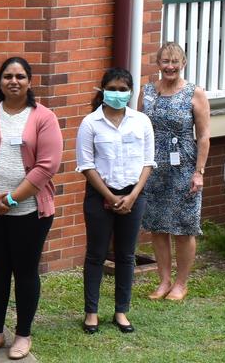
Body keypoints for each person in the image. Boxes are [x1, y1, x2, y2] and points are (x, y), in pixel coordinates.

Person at [0, 57, 62, 361]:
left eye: (20, 76)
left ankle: (23, 334)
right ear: (0, 81)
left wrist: (11, 200)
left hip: (30, 212)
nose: (13, 81)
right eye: (7, 76)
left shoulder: (44, 117)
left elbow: (46, 167)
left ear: (30, 82)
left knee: (26, 271)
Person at [76, 67, 153, 335]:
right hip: (100, 195)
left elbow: (148, 162)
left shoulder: (142, 121)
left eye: (123, 90)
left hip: (134, 195)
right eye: (113, 89)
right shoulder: (90, 123)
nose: (118, 94)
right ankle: (91, 312)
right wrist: (109, 196)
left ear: (130, 93)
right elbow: (86, 165)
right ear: (103, 90)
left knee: (126, 255)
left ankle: (121, 311)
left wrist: (132, 196)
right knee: (96, 254)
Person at [139, 41, 211, 302]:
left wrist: (199, 172)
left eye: (175, 61)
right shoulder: (147, 91)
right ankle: (164, 281)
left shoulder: (195, 93)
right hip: (154, 167)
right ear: (158, 64)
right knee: (158, 226)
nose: (170, 66)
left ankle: (181, 283)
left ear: (184, 63)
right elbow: (139, 129)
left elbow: (203, 136)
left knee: (184, 227)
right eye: (165, 61)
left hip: (184, 167)